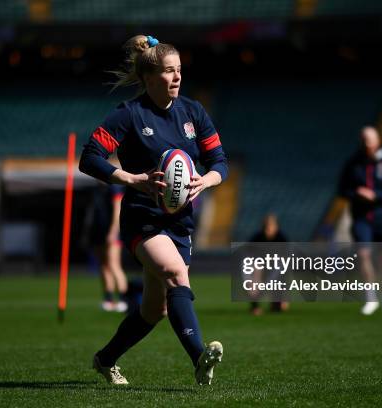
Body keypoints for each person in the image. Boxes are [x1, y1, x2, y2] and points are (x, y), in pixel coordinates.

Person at [79, 34, 228, 385]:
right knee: (177, 274)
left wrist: (206, 180)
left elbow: (219, 162)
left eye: (178, 71)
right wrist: (131, 179)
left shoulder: (193, 111)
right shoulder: (129, 114)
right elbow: (90, 158)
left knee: (154, 309)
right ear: (148, 78)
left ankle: (105, 359)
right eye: (168, 72)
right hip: (143, 220)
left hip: (180, 222)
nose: (176, 78)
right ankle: (199, 358)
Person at [338, 126, 382, 316]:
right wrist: (357, 193)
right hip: (361, 217)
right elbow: (342, 189)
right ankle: (370, 298)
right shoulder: (353, 163)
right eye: (364, 140)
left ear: (377, 141)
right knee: (364, 254)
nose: (367, 144)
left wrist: (376, 195)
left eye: (370, 140)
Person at [92, 184, 128, 312]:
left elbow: (117, 209)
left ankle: (124, 299)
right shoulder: (98, 188)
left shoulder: (115, 187)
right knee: (104, 265)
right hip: (100, 231)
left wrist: (113, 231)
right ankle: (109, 299)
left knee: (114, 265)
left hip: (112, 232)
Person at [248, 213, 290, 315]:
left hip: (274, 265)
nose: (271, 228)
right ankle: (255, 307)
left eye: (273, 225)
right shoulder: (258, 237)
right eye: (269, 225)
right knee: (255, 284)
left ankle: (277, 304)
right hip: (258, 265)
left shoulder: (281, 238)